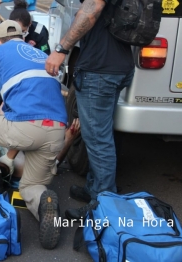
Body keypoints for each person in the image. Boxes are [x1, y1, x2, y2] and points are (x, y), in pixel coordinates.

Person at [0, 20, 67, 250]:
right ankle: (45, 203)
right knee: (31, 187)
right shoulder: (39, 53)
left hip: (25, 128)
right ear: (23, 37)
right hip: (57, 131)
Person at [44, 0, 135, 220]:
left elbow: (93, 7)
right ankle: (95, 189)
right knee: (98, 135)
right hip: (117, 65)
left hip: (100, 70)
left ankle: (103, 206)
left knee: (98, 140)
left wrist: (61, 48)